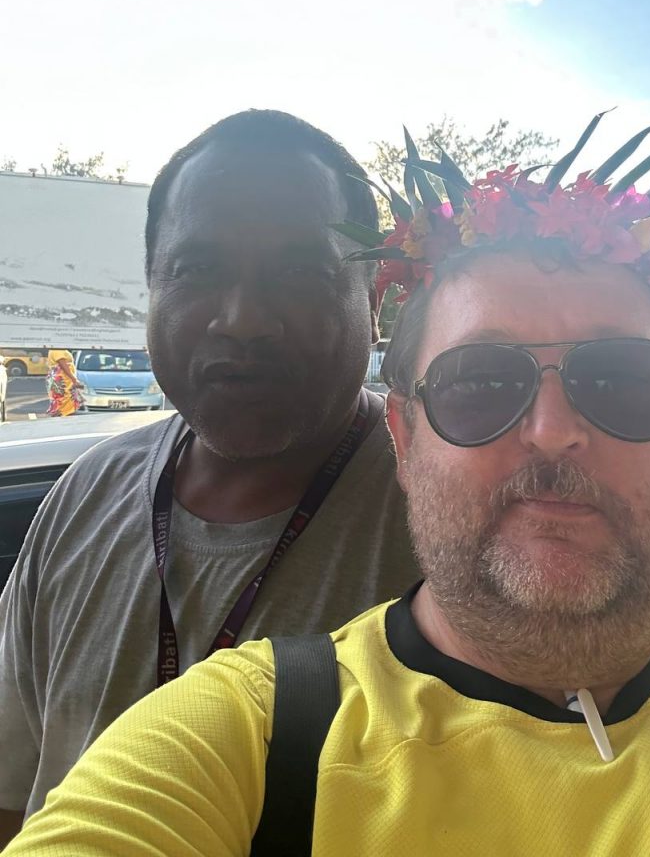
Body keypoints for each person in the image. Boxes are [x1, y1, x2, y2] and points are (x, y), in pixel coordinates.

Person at [6, 117, 650, 857]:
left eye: (621, 380)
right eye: (480, 383)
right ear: (409, 436)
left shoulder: (487, 518)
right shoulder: (86, 497)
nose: (243, 320)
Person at [0, 110, 419, 845]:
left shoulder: (448, 512)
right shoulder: (88, 492)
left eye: (299, 273)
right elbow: (11, 789)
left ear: (374, 300)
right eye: (197, 270)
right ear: (151, 289)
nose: (243, 319)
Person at [44, 349, 83, 417]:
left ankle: (61, 417)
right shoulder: (58, 349)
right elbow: (63, 364)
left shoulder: (58, 349)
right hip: (63, 380)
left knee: (62, 403)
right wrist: (74, 379)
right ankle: (61, 419)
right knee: (63, 402)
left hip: (62, 379)